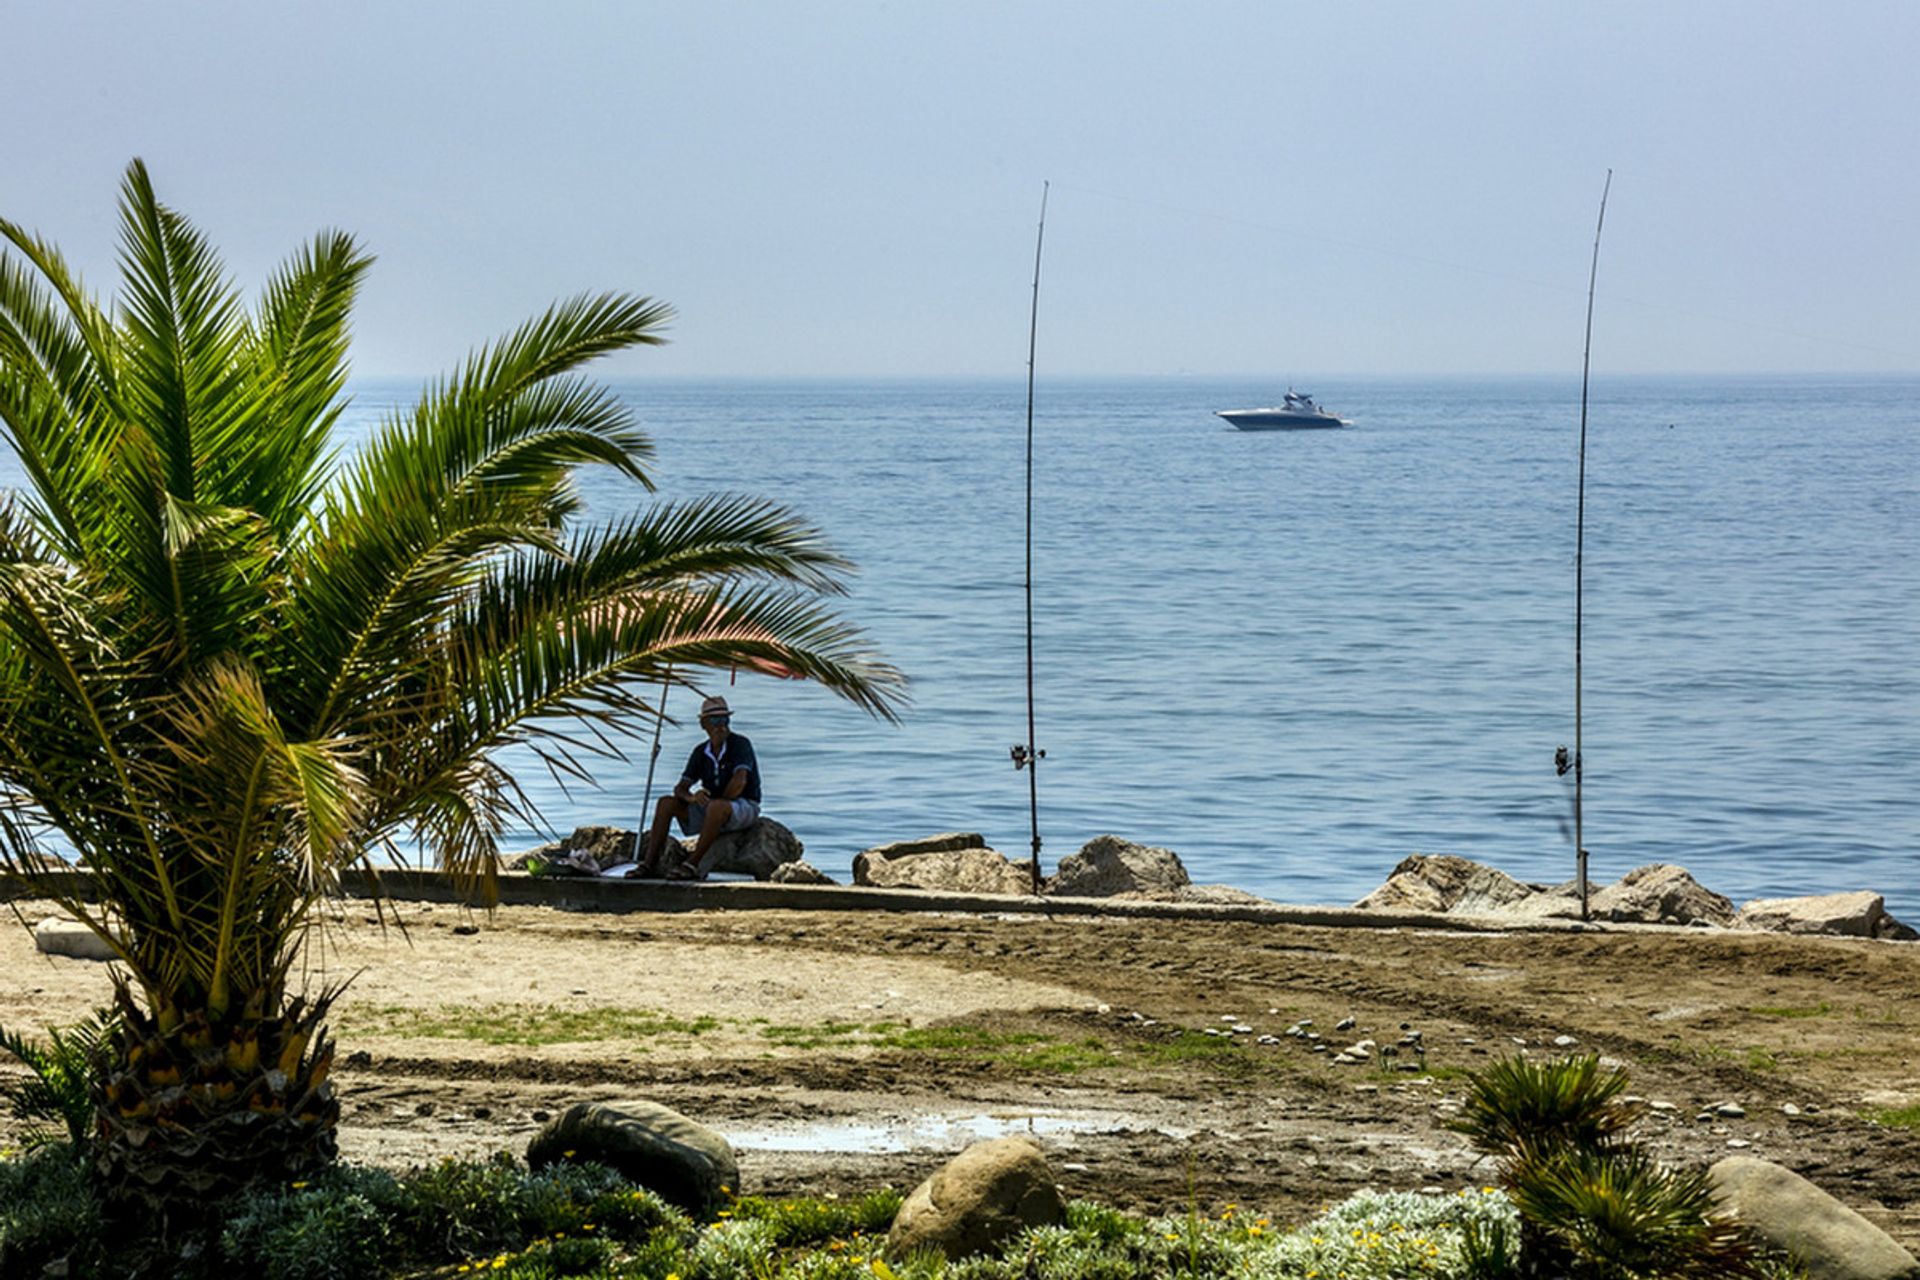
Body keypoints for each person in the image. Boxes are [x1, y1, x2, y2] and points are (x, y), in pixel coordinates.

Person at [629, 694, 761, 880]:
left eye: (725, 719)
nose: (721, 726)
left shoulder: (740, 744)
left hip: (742, 806)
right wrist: (692, 798)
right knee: (666, 803)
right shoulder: (701, 752)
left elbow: (739, 782)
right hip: (714, 808)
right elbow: (681, 787)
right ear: (704, 724)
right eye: (715, 720)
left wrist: (716, 804)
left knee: (716, 807)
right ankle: (649, 863)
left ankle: (692, 864)